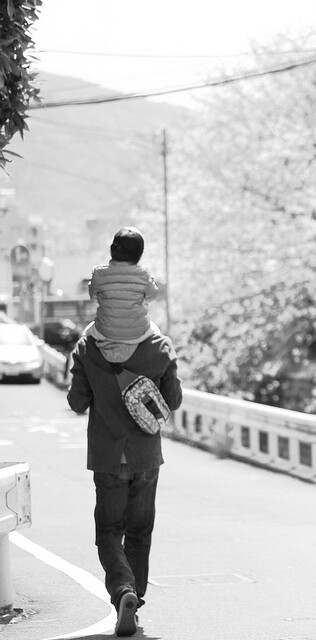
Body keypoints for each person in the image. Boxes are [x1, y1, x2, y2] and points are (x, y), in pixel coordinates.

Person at [67, 259, 182, 636]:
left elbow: (77, 402)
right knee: (140, 532)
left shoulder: (88, 347)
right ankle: (135, 601)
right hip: (146, 455)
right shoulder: (159, 346)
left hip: (106, 454)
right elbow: (174, 401)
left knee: (107, 531)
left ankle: (122, 590)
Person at [86, 226, 159, 363]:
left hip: (104, 332)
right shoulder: (144, 274)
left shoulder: (99, 273)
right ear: (140, 254)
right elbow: (153, 295)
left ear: (111, 250)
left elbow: (92, 295)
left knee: (84, 337)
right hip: (138, 334)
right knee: (158, 334)